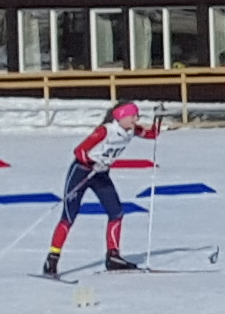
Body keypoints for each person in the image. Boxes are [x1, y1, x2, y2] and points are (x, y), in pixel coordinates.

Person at [39, 97, 163, 277]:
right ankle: (52, 259)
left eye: (137, 116)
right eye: (133, 116)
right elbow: (80, 151)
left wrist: (158, 118)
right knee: (69, 216)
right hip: (82, 172)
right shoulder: (105, 131)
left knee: (116, 212)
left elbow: (153, 134)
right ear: (121, 117)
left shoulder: (131, 130)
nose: (136, 120)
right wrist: (91, 162)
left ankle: (113, 256)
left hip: (101, 174)